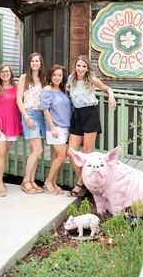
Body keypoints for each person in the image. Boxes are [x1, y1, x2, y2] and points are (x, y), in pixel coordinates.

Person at [67, 55, 117, 197]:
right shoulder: (71, 79)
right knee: (71, 152)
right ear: (75, 66)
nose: (81, 69)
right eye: (78, 66)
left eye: (84, 66)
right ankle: (84, 182)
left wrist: (111, 97)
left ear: (87, 68)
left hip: (90, 115)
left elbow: (108, 89)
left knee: (87, 151)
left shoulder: (92, 80)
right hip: (77, 116)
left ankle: (80, 185)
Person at [0, 63, 22, 197]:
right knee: (1, 152)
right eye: (2, 72)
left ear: (11, 73)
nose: (5, 73)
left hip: (11, 123)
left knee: (3, 152)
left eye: (7, 71)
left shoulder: (16, 87)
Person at [17, 52, 46, 194]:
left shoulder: (43, 79)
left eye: (37, 61)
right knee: (38, 149)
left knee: (34, 151)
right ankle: (26, 181)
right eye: (32, 61)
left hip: (41, 116)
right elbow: (18, 99)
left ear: (41, 64)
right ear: (29, 63)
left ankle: (32, 181)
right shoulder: (24, 77)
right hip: (29, 114)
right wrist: (26, 117)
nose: (35, 63)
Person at [41, 64, 71, 195]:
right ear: (50, 77)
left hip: (64, 127)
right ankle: (48, 182)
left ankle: (53, 182)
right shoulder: (48, 89)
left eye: (60, 75)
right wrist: (52, 128)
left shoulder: (63, 91)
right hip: (55, 128)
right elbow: (45, 109)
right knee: (63, 154)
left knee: (56, 157)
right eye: (55, 75)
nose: (57, 77)